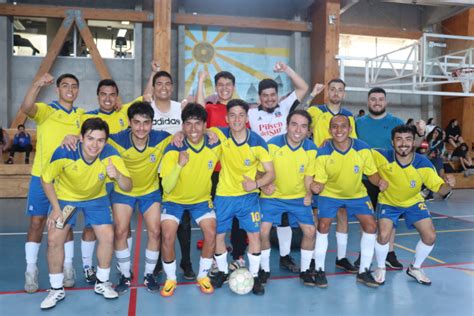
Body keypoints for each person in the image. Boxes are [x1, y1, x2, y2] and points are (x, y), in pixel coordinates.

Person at [39, 118, 132, 309]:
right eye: (90, 139)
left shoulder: (111, 155)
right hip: (66, 199)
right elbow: (45, 179)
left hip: (96, 199)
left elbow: (128, 186)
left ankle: (102, 282)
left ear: (105, 142)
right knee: (54, 239)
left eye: (100, 140)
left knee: (107, 235)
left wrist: (118, 175)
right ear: (81, 137)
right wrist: (56, 209)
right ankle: (56, 289)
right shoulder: (65, 152)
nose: (94, 145)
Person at [21, 73, 85, 293]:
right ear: (57, 89)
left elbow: (93, 134)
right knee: (37, 223)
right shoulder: (47, 111)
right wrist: (37, 83)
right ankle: (31, 270)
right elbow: (27, 107)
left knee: (64, 225)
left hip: (65, 181)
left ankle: (68, 267)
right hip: (41, 177)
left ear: (78, 91)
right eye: (65, 85)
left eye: (74, 86)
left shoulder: (81, 115)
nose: (70, 89)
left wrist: (76, 137)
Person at [372, 125, 455, 285]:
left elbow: (442, 190)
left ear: (414, 142)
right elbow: (358, 152)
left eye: (408, 139)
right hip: (388, 202)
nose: (403, 143)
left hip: (413, 201)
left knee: (430, 236)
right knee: (383, 235)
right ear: (392, 142)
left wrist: (449, 184)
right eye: (399, 139)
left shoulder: (423, 164)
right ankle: (381, 267)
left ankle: (415, 268)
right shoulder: (381, 156)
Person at [311, 114, 387, 288]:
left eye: (343, 126)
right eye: (335, 127)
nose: (339, 130)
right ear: (330, 131)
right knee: (323, 226)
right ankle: (320, 269)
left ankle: (364, 271)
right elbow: (320, 181)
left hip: (356, 194)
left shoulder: (362, 149)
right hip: (330, 193)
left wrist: (380, 182)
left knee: (371, 226)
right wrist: (315, 187)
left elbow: (372, 174)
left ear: (350, 129)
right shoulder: (323, 152)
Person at [248, 61, 309, 273]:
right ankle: (248, 258)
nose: (269, 99)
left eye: (273, 94)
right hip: (260, 171)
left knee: (283, 219)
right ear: (259, 97)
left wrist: (287, 70)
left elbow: (303, 88)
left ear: (277, 94)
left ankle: (284, 257)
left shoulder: (284, 107)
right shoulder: (251, 113)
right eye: (265, 96)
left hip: (284, 169)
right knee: (255, 220)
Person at [209, 99, 275, 295]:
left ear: (247, 118)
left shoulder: (257, 142)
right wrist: (179, 133)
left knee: (254, 235)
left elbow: (271, 173)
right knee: (218, 235)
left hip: (248, 197)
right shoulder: (221, 134)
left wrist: (255, 184)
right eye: (233, 115)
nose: (237, 119)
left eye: (241, 115)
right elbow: (199, 129)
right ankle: (221, 271)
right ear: (227, 118)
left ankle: (254, 277)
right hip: (224, 195)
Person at [108, 101, 171, 294]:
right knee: (120, 231)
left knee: (155, 231)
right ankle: (125, 275)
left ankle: (149, 274)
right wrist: (72, 136)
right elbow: (93, 138)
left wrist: (209, 132)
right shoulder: (117, 140)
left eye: (146, 122)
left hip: (150, 191)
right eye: (136, 122)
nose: (141, 127)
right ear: (129, 122)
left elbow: (184, 136)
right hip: (123, 191)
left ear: (152, 123)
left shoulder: (162, 138)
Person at [159, 103, 220, 296]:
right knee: (168, 236)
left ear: (204, 125)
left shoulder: (214, 143)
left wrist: (211, 131)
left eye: (198, 124)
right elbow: (167, 186)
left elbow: (234, 131)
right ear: (182, 126)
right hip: (173, 200)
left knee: (211, 234)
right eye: (188, 124)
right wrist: (179, 165)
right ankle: (170, 279)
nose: (193, 129)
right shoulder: (173, 148)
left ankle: (203, 276)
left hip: (201, 200)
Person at [196, 70, 248, 273]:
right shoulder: (210, 108)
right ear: (216, 87)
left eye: (228, 84)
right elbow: (198, 110)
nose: (225, 88)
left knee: (237, 216)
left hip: (236, 172)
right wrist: (200, 81)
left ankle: (238, 256)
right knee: (218, 215)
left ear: (233, 87)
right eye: (220, 85)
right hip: (215, 171)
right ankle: (219, 256)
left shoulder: (240, 110)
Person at [258, 110, 317, 286]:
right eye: (294, 124)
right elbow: (260, 171)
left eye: (303, 126)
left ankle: (306, 271)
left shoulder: (311, 148)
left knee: (310, 232)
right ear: (287, 125)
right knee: (262, 231)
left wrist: (309, 193)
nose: (298, 130)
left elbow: (308, 177)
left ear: (308, 130)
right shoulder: (272, 145)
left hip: (298, 198)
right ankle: (264, 269)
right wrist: (263, 184)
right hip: (272, 197)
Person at [307, 79, 358, 273]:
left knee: (342, 213)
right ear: (327, 92)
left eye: (340, 90)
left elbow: (353, 140)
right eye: (333, 89)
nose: (336, 93)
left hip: (342, 171)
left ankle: (341, 258)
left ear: (344, 94)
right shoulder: (317, 111)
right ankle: (312, 258)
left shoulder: (349, 116)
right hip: (320, 169)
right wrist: (312, 94)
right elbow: (298, 114)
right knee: (318, 216)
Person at [150, 66, 196, 279]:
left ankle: (186, 262)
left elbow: (195, 128)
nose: (164, 87)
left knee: (184, 221)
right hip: (154, 173)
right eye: (159, 83)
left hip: (179, 171)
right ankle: (159, 261)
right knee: (161, 222)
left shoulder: (181, 108)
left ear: (173, 87)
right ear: (153, 87)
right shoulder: (147, 108)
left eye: (168, 83)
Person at [355, 87, 404, 270]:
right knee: (366, 218)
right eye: (373, 99)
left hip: (389, 180)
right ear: (368, 102)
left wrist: (421, 133)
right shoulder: (358, 123)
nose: (377, 102)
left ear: (386, 102)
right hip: (365, 179)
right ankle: (363, 253)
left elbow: (406, 145)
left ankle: (390, 253)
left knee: (389, 219)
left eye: (380, 99)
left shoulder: (396, 122)